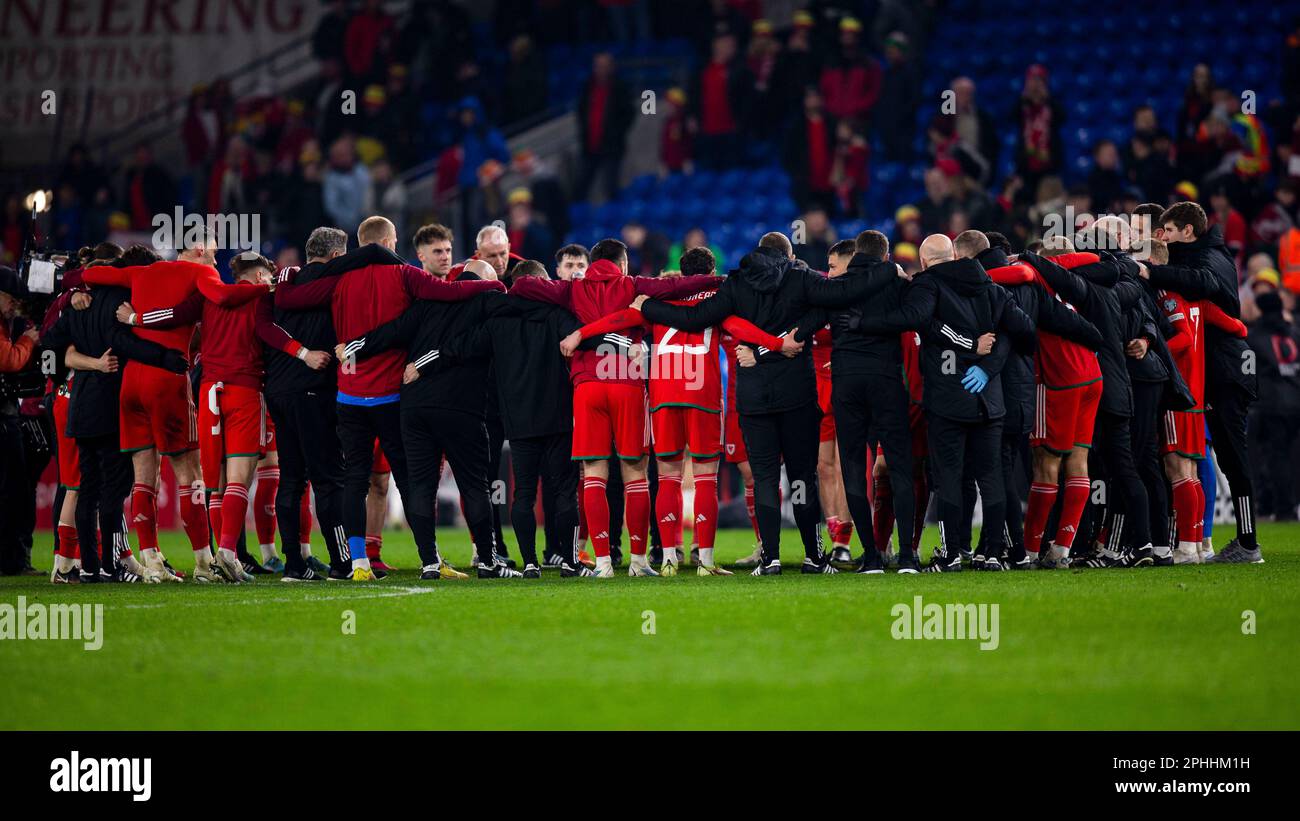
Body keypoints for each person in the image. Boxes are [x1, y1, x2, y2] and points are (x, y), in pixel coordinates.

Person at [638, 231, 895, 575]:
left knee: (764, 479)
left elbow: (694, 318)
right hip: (797, 394)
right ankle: (813, 557)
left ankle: (770, 558)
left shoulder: (737, 283)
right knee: (802, 479)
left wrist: (648, 307)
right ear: (789, 256)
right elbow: (839, 296)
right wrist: (886, 271)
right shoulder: (801, 278)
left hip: (754, 397)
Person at [274, 216, 505, 580]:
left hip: (349, 395)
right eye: (394, 242)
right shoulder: (404, 274)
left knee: (355, 480)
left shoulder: (338, 279)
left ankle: (359, 562)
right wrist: (494, 285)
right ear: (387, 243)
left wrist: (284, 282)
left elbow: (292, 299)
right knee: (412, 480)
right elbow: (449, 293)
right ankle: (430, 559)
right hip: (390, 395)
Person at [513, 238, 719, 578]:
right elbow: (679, 286)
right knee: (635, 473)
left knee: (593, 474)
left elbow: (523, 285)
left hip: (587, 387)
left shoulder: (573, 289)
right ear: (622, 264)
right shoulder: (632, 284)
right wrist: (721, 280)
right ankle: (638, 561)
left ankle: (603, 563)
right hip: (627, 382)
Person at [80, 236, 263, 581]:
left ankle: (151, 561)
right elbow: (224, 297)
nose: (215, 259)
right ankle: (204, 562)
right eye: (212, 251)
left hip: (131, 381)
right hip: (167, 379)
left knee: (143, 476)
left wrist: (77, 290)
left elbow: (91, 274)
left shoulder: (142, 272)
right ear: (198, 249)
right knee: (189, 473)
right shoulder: (200, 274)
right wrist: (264, 288)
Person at [856, 234, 1036, 573]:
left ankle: (951, 554)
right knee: (992, 478)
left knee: (948, 478)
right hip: (989, 399)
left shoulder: (928, 286)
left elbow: (919, 319)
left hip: (947, 398)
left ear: (924, 262)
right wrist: (988, 364)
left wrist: (864, 322)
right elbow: (1025, 331)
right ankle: (992, 554)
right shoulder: (991, 286)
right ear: (953, 254)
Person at [1143, 202, 1263, 564]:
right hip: (1221, 367)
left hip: (1225, 370)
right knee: (1215, 456)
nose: (1164, 237)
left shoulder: (1209, 257)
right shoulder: (1205, 255)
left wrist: (1152, 273)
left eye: (1169, 230)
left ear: (1188, 231)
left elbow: (1205, 283)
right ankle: (1212, 540)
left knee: (1229, 457)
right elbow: (1230, 320)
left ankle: (1247, 544)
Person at [262, 227, 350, 580]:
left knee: (291, 479)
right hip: (313, 391)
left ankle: (294, 565)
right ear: (336, 256)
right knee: (328, 480)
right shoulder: (337, 285)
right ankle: (342, 562)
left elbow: (265, 326)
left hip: (278, 391)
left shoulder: (285, 282)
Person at [0, 267, 41, 575]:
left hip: (8, 413)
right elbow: (9, 360)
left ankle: (14, 559)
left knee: (15, 487)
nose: (15, 305)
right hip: (3, 417)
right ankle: (11, 559)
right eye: (11, 299)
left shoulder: (5, 322)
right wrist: (28, 340)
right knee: (12, 487)